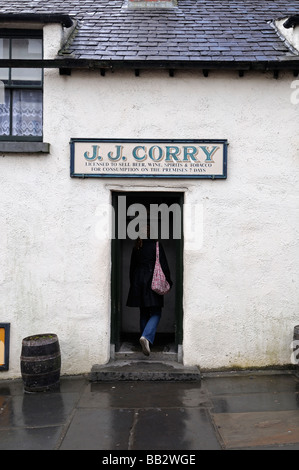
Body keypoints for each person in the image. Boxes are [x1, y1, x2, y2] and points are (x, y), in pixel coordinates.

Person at [126, 226, 173, 356]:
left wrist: (134, 285)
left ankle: (145, 341)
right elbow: (163, 265)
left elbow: (132, 269)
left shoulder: (137, 247)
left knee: (144, 313)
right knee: (156, 312)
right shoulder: (156, 245)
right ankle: (146, 337)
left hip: (138, 283)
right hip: (153, 281)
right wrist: (168, 281)